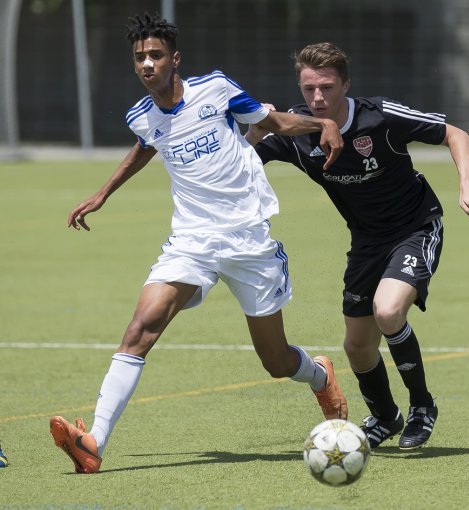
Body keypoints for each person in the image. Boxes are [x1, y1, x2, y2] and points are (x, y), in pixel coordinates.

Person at [49, 15, 348, 474]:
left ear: (175, 59)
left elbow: (270, 122)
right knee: (141, 327)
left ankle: (320, 375)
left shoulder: (216, 88)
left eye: (155, 55)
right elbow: (146, 144)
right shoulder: (142, 115)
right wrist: (102, 193)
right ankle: (94, 442)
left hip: (249, 238)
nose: (147, 64)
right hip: (192, 240)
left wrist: (319, 125)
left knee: (275, 360)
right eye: (139, 58)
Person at [246, 42, 469, 450]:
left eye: (326, 87)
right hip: (365, 241)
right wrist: (255, 131)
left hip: (416, 226)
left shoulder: (381, 117)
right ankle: (384, 416)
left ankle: (421, 407)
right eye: (308, 89)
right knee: (357, 346)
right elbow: (242, 157)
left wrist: (467, 186)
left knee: (388, 310)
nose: (317, 98)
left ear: (346, 84)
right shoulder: (298, 132)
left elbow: (455, 134)